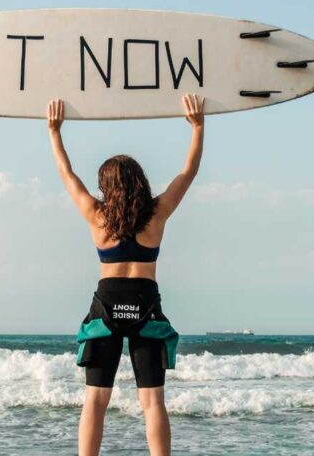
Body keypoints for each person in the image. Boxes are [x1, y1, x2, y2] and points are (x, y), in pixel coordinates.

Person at [47, 94, 205, 456]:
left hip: (106, 305)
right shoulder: (157, 213)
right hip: (145, 305)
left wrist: (55, 132)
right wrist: (197, 127)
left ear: (106, 185)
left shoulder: (96, 215)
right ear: (140, 182)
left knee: (95, 400)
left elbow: (66, 175)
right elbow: (188, 173)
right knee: (152, 401)